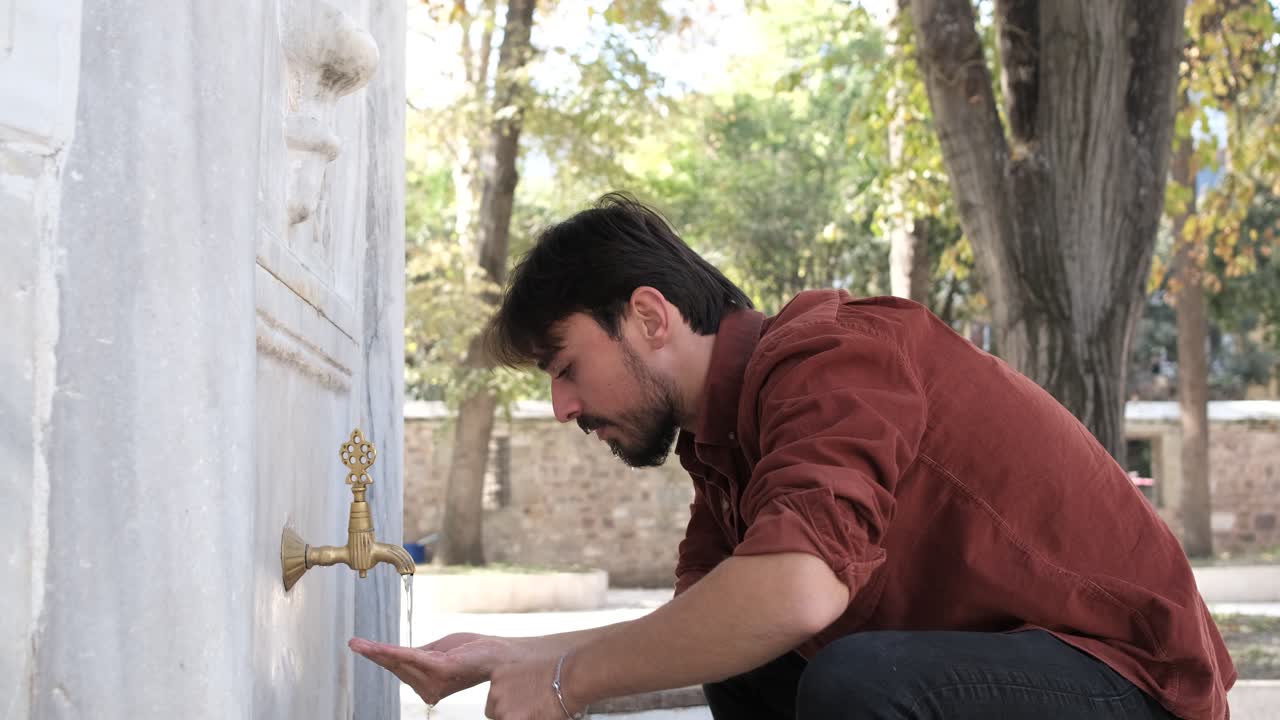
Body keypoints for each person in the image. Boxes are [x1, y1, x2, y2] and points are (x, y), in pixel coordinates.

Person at [350, 193, 1234, 720]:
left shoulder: (835, 359)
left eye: (566, 366)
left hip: (1136, 690)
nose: (562, 408)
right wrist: (508, 656)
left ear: (651, 318)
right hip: (1016, 679)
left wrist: (562, 678)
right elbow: (693, 633)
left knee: (853, 679)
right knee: (740, 648)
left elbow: (798, 589)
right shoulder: (727, 443)